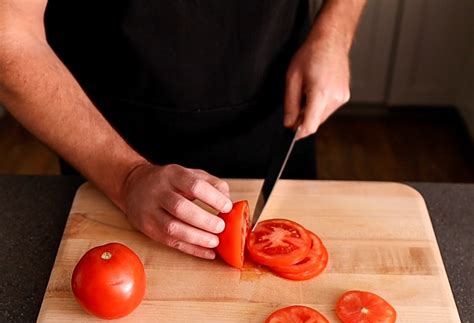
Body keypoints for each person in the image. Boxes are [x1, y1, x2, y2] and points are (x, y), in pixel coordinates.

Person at [0, 0, 366, 259]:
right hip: (104, 129)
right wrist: (127, 178)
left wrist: (334, 34)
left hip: (277, 107)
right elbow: (8, 36)